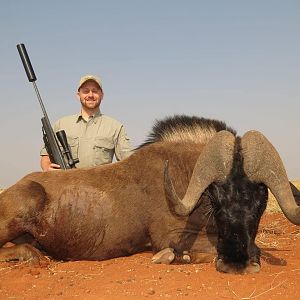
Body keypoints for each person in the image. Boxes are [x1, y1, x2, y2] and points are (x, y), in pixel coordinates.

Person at [40, 75, 132, 171]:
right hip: (66, 183)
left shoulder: (115, 127)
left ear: (102, 95)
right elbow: (45, 157)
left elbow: (129, 162)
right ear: (78, 95)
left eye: (95, 91)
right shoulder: (61, 124)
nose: (90, 95)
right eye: (86, 91)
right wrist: (47, 167)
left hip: (99, 185)